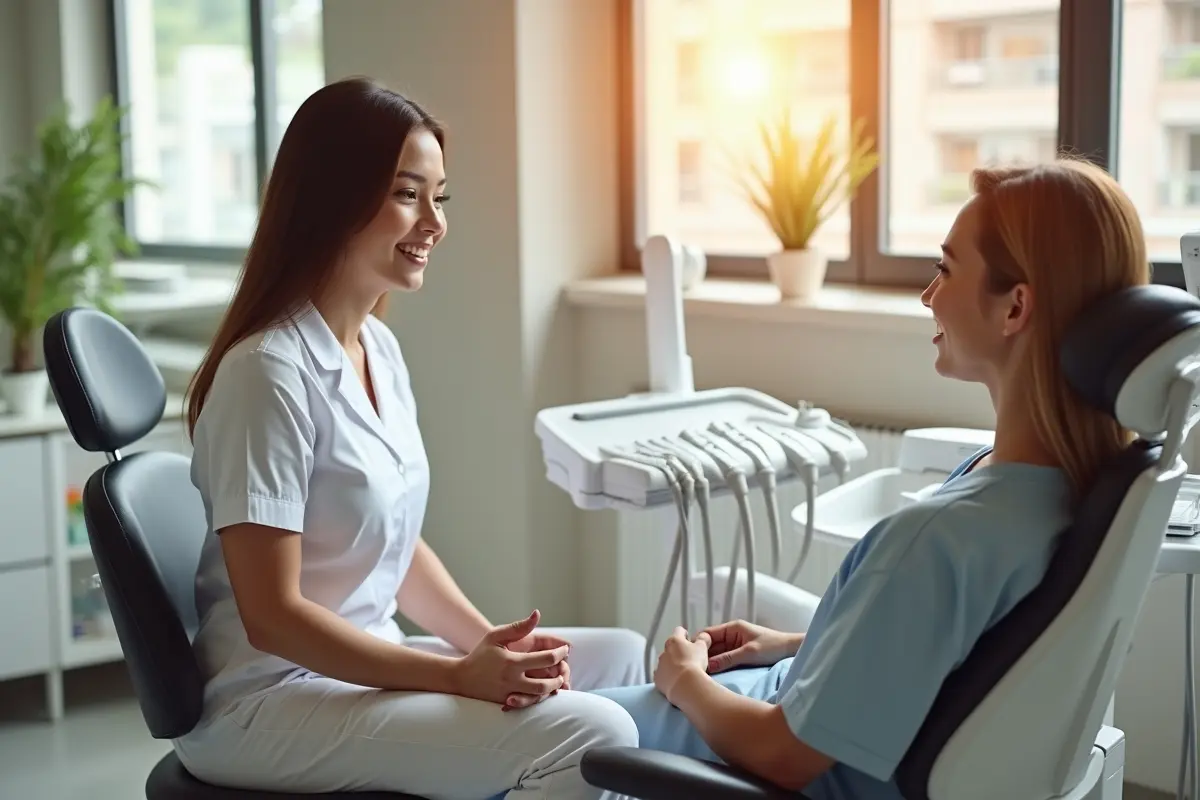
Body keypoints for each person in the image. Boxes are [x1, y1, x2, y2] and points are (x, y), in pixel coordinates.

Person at [590, 156, 1151, 799]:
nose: (928, 295)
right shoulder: (1076, 489)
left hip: (739, 755)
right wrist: (811, 643)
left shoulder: (938, 537)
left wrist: (683, 679)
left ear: (1015, 306)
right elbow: (975, 654)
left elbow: (784, 756)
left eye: (945, 269)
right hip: (794, 701)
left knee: (544, 733)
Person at [171, 76, 644, 799]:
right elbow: (272, 618)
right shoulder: (266, 374)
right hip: (272, 702)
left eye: (439, 196)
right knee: (597, 732)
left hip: (362, 667)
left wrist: (491, 646)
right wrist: (459, 676)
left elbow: (396, 545)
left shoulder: (378, 352)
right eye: (406, 193)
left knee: (620, 658)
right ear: (332, 199)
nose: (435, 221)